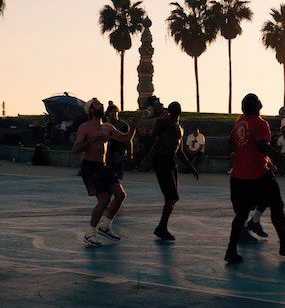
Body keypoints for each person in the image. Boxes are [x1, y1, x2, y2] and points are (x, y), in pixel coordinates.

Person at [225, 93, 285, 263]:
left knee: (240, 214)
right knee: (276, 205)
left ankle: (231, 250)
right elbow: (262, 146)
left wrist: (239, 155)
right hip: (258, 174)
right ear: (259, 106)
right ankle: (284, 243)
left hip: (239, 175)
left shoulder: (240, 122)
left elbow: (232, 141)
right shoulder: (260, 124)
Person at [72, 98, 136, 246]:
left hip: (103, 166)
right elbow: (75, 149)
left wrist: (133, 127)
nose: (101, 106)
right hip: (90, 166)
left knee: (120, 195)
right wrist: (92, 140)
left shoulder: (107, 127)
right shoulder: (85, 128)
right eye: (98, 105)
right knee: (104, 199)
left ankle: (105, 226)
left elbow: (125, 138)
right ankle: (89, 233)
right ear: (92, 110)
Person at [150, 101, 199, 241]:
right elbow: (151, 139)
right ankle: (161, 228)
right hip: (162, 161)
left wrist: (191, 167)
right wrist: (139, 158)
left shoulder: (179, 128)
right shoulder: (163, 123)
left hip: (171, 163)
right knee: (171, 197)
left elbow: (180, 151)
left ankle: (162, 227)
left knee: (173, 197)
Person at [105, 103, 132, 180]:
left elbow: (128, 140)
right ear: (107, 113)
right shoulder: (106, 125)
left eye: (115, 111)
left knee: (118, 177)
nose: (113, 113)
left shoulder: (123, 125)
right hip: (108, 153)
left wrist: (130, 154)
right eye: (111, 112)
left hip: (119, 153)